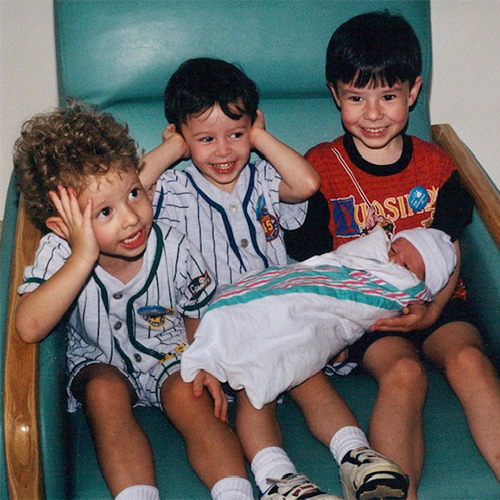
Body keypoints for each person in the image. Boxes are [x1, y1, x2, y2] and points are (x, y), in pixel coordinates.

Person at [140, 57, 410, 500]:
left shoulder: (262, 177)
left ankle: (358, 457)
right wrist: (174, 148)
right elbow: (133, 187)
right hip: (223, 324)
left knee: (307, 374)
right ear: (182, 139)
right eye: (205, 139)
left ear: (252, 128)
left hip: (282, 310)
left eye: (236, 134)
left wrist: (260, 137)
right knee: (256, 389)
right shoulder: (175, 190)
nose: (224, 151)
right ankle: (278, 479)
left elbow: (305, 183)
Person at [285, 10, 500, 499]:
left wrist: (435, 310)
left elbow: (453, 244)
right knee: (403, 372)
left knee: (468, 358)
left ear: (413, 91)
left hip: (442, 305)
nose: (374, 113)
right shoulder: (320, 168)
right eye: (356, 98)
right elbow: (311, 259)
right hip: (370, 319)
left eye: (388, 96)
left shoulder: (436, 165)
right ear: (335, 94)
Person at [13, 101, 256, 500]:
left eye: (133, 193)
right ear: (62, 227)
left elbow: (200, 315)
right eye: (104, 211)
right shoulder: (60, 254)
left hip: (170, 355)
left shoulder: (174, 247)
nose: (130, 218)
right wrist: (82, 255)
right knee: (103, 393)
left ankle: (234, 492)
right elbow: (29, 326)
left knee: (190, 394)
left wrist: (204, 361)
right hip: (99, 362)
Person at [182, 226, 456, 410]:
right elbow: (336, 263)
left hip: (329, 311)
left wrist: (417, 298)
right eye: (394, 250)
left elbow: (375, 302)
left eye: (407, 267)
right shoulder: (370, 250)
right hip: (307, 282)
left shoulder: (407, 289)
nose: (393, 263)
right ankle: (217, 348)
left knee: (295, 328)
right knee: (269, 302)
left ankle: (234, 358)